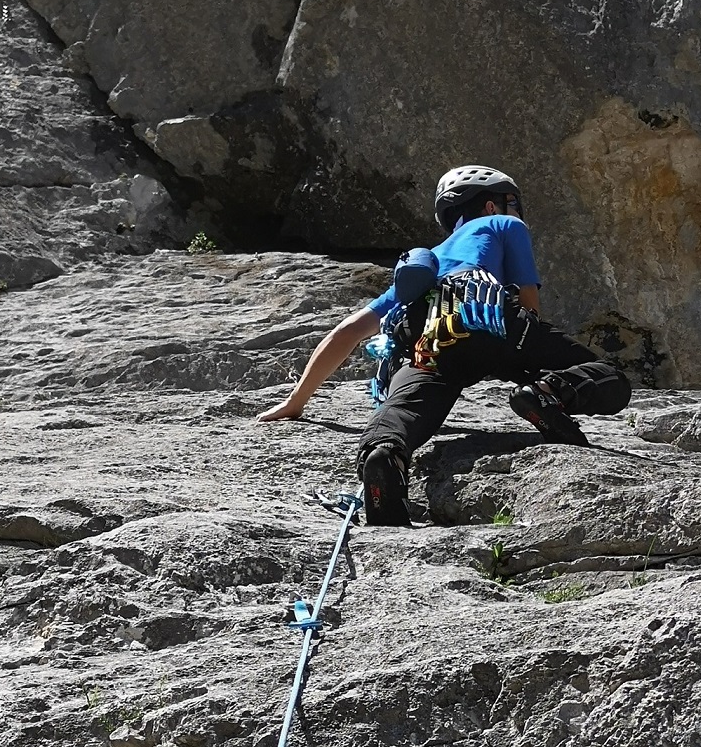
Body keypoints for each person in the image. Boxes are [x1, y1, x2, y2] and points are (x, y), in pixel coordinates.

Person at [257, 164, 632, 524]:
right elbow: (529, 304)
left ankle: (385, 455)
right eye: (511, 202)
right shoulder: (503, 223)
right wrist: (530, 356)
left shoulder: (427, 265)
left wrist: (296, 402)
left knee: (403, 412)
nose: (516, 211)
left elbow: (348, 332)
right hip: (490, 319)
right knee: (608, 377)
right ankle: (547, 394)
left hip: (430, 337)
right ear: (491, 204)